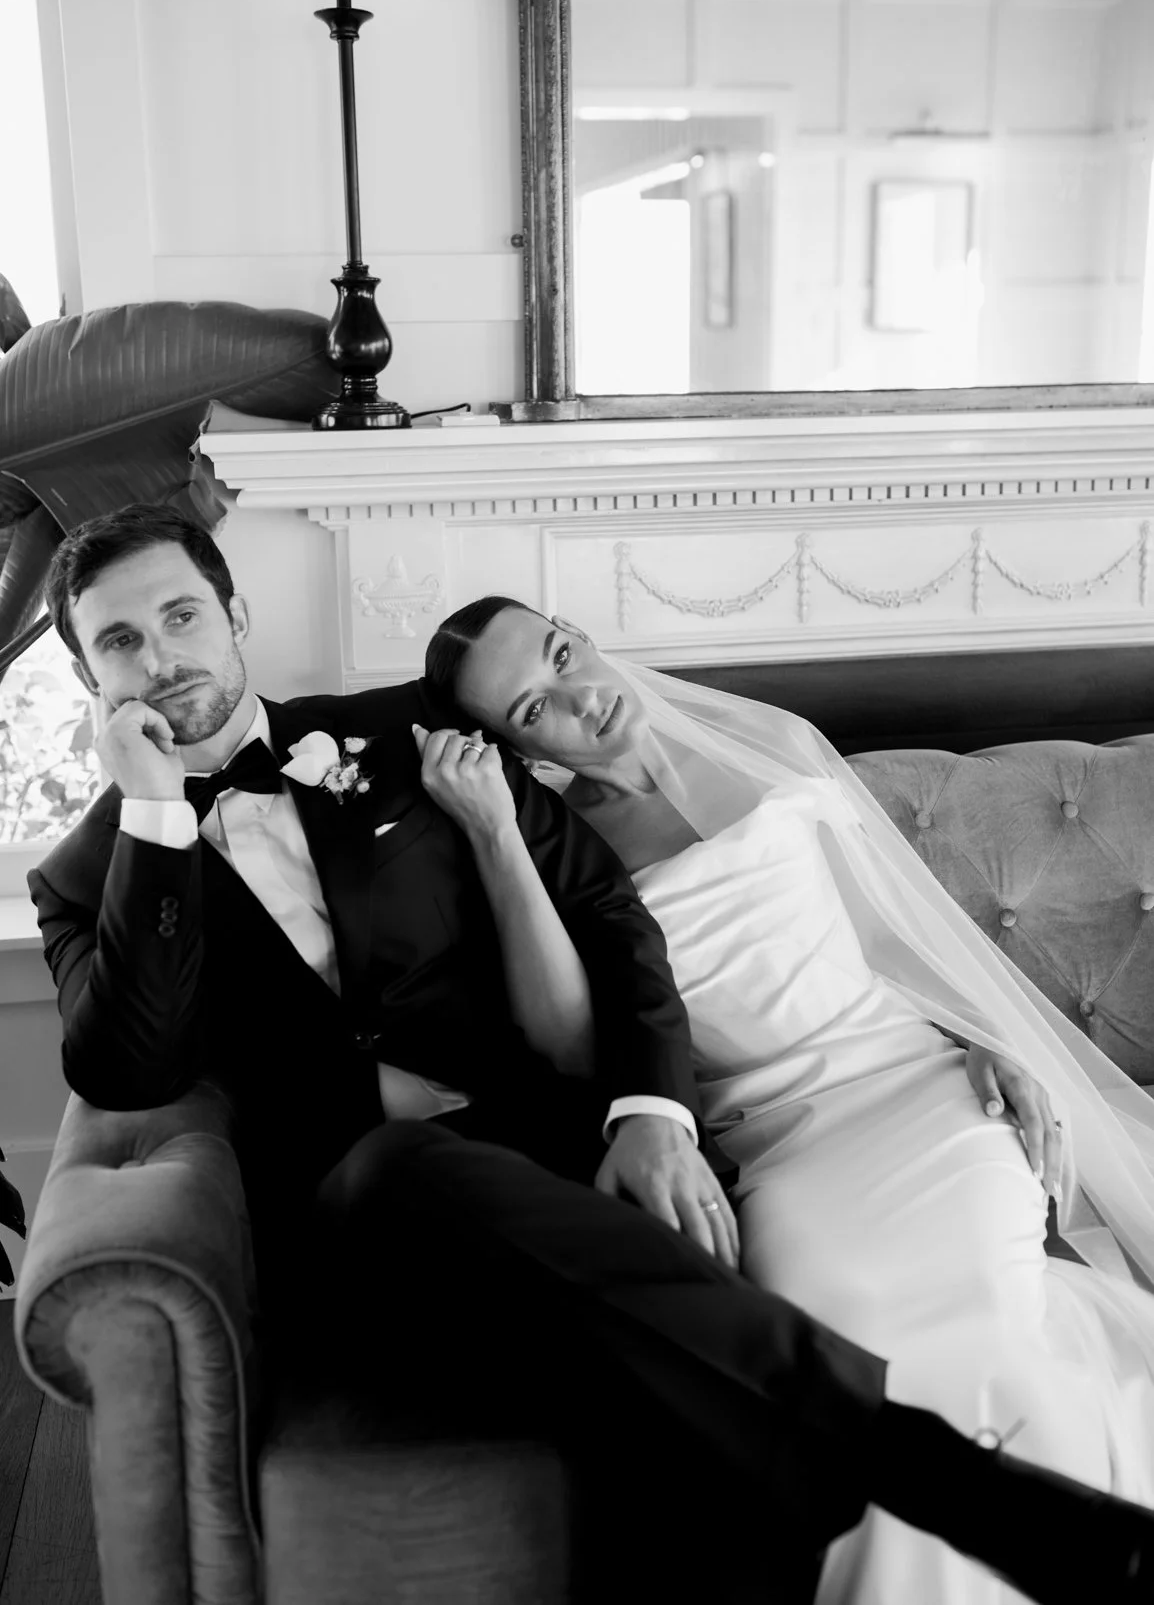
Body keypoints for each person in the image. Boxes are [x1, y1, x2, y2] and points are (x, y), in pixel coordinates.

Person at [25, 508, 1154, 1605]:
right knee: (401, 1167)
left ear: (235, 616)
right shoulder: (84, 875)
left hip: (564, 1154)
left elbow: (610, 913)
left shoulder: (400, 732)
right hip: (365, 1201)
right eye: (120, 641)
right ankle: (949, 1480)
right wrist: (155, 817)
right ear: (88, 676)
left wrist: (652, 1111)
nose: (159, 658)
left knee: (680, 1372)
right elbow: (130, 1069)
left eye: (181, 616)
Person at [423, 593, 1154, 1605]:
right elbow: (572, 1043)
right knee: (847, 1351)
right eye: (532, 709)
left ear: (582, 634)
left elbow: (895, 936)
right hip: (779, 1146)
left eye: (560, 655)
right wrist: (496, 835)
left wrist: (985, 1040)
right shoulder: (561, 846)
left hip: (920, 1093)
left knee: (983, 1325)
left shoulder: (766, 748)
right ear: (517, 749)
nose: (578, 698)